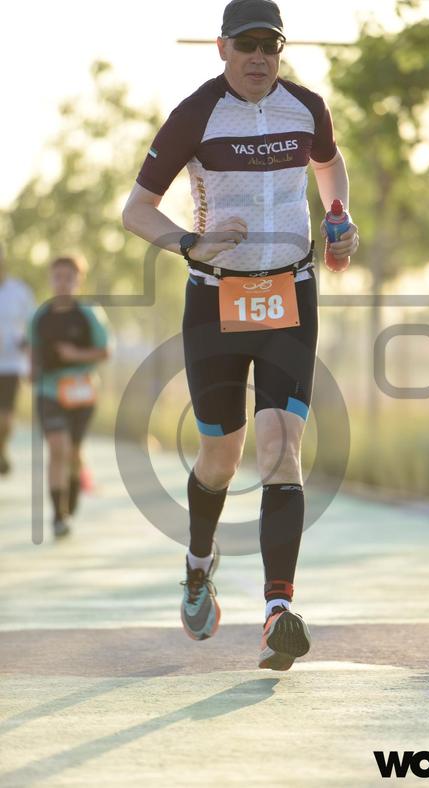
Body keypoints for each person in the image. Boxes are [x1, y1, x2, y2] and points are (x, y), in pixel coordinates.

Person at [122, 0, 359, 670]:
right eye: (246, 44)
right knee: (221, 458)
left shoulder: (307, 108)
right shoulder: (195, 114)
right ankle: (199, 564)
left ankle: (278, 610)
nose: (259, 57)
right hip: (215, 302)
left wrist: (340, 217)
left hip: (291, 295)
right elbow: (136, 211)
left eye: (270, 46)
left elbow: (329, 164)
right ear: (222, 48)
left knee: (282, 448)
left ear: (281, 51)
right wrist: (188, 241)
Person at [29, 256, 110, 538]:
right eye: (57, 276)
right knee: (57, 448)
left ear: (79, 281)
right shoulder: (40, 315)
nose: (62, 282)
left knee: (73, 452)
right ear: (50, 279)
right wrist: (32, 368)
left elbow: (105, 352)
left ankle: (72, 494)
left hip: (82, 393)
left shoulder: (89, 313)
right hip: (48, 392)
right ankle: (57, 516)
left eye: (69, 277)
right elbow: (33, 347)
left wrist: (76, 355)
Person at [0, 243, 36, 475]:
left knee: (5, 419)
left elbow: (33, 327)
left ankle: (1, 448)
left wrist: (29, 352)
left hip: (11, 366)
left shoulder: (20, 291)